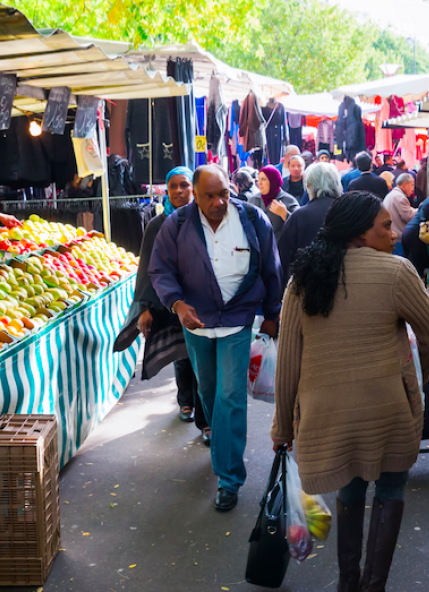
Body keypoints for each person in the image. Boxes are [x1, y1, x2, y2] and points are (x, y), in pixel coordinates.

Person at [271, 192, 429, 592]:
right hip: (388, 411)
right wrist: (413, 375)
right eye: (386, 227)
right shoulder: (398, 272)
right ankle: (373, 586)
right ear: (360, 233)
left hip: (327, 416)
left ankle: (348, 584)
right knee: (390, 488)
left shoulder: (303, 280)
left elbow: (288, 362)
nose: (394, 234)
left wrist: (283, 426)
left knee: (350, 485)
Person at [149, 164, 283, 512]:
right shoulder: (176, 225)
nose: (219, 201)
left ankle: (229, 478)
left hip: (237, 322)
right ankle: (219, 438)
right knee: (208, 393)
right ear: (194, 194)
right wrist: (177, 304)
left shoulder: (253, 220)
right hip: (196, 325)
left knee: (230, 395)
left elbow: (271, 266)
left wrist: (272, 314)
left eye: (223, 193)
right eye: (209, 195)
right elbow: (160, 270)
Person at [115, 166, 211, 443]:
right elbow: (146, 266)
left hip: (199, 303)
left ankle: (206, 423)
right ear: (166, 191)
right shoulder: (157, 225)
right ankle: (185, 401)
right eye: (173, 187)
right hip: (168, 303)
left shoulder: (203, 219)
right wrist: (144, 307)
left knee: (201, 363)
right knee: (181, 356)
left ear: (193, 188)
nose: (179, 191)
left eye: (184, 185)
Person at [277, 162, 342, 283]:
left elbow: (284, 258)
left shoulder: (299, 217)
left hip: (308, 286)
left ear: (310, 186)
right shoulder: (350, 210)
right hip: (347, 282)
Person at [249, 166, 300, 238]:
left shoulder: (289, 200)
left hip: (280, 247)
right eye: (258, 179)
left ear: (273, 181)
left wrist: (284, 214)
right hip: (259, 247)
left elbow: (299, 226)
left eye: (263, 179)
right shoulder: (252, 200)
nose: (259, 183)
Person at [383, 173, 417, 256]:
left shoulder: (393, 194)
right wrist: (421, 209)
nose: (412, 189)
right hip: (398, 238)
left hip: (392, 235)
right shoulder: (399, 197)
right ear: (405, 184)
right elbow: (408, 216)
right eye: (412, 185)